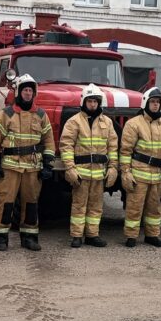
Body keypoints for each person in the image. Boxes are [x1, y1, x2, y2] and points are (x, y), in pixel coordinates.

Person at [0, 74, 55, 251]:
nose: (28, 93)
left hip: (32, 167)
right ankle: (1, 238)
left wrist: (48, 164)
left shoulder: (41, 115)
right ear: (18, 92)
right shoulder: (6, 114)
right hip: (10, 166)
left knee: (31, 203)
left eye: (30, 90)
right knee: (5, 202)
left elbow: (49, 140)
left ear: (34, 93)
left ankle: (29, 237)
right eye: (25, 90)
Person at [60, 84, 118, 248]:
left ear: (99, 103)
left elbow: (113, 146)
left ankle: (92, 235)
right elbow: (66, 146)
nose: (92, 104)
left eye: (95, 101)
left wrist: (113, 168)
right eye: (90, 101)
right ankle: (77, 236)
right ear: (84, 102)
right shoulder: (74, 121)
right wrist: (70, 168)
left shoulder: (107, 122)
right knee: (79, 205)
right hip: (81, 173)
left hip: (99, 173)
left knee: (96, 206)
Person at [120, 87, 161, 248]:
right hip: (139, 173)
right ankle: (131, 236)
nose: (155, 105)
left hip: (157, 175)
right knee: (134, 206)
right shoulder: (133, 124)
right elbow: (126, 151)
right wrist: (126, 172)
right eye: (152, 102)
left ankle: (152, 235)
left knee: (155, 207)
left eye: (158, 102)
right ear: (145, 103)